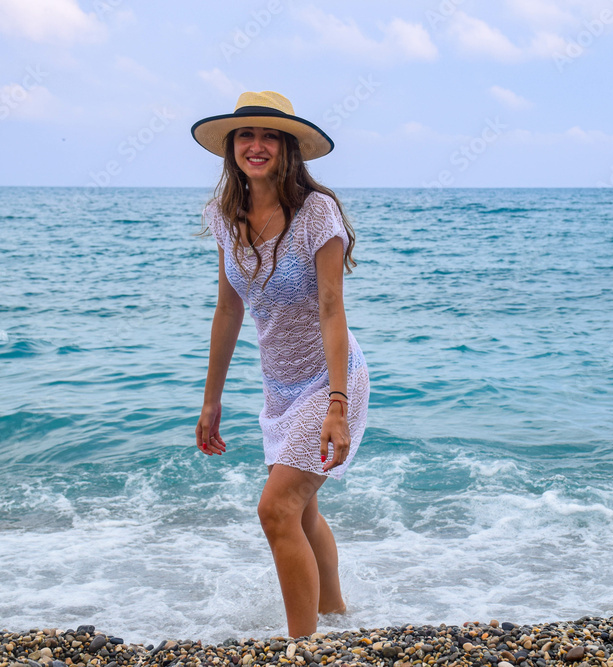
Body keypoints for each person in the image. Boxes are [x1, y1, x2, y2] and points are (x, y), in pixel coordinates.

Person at [190, 91, 370, 637]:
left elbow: (332, 308)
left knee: (276, 510)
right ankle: (335, 617)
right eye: (246, 135)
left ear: (289, 148)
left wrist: (337, 404)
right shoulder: (226, 216)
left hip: (332, 379)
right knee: (301, 510)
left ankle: (302, 645)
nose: (257, 145)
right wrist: (211, 399)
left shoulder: (318, 213)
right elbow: (228, 308)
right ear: (232, 148)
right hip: (280, 390)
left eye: (270, 135)